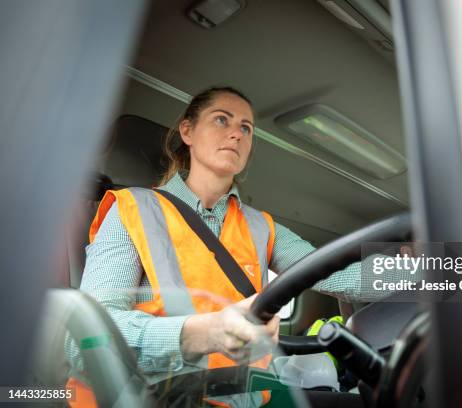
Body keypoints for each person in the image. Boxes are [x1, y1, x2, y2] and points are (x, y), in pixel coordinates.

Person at [65, 87, 370, 407]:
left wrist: (426, 265)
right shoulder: (132, 209)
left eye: (246, 128)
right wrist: (206, 332)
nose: (236, 134)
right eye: (221, 120)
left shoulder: (261, 226)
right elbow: (83, 341)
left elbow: (345, 275)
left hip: (246, 396)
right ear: (188, 131)